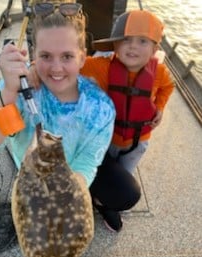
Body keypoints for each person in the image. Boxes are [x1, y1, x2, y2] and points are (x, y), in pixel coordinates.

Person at [0, 3, 141, 234]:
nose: (56, 68)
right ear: (33, 56)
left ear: (82, 57)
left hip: (73, 165)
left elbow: (88, 159)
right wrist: (9, 90)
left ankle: (96, 201)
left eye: (67, 56)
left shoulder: (99, 106)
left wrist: (70, 195)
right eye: (46, 56)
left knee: (126, 193)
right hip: (32, 170)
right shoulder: (19, 89)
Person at [29, 9, 174, 232]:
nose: (133, 47)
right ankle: (87, 190)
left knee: (125, 178)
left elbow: (167, 87)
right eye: (125, 40)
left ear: (155, 49)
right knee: (92, 168)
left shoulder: (161, 73)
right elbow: (69, 61)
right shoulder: (101, 66)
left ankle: (104, 203)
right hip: (103, 140)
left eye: (142, 41)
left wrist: (161, 107)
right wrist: (34, 67)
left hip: (137, 142)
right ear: (114, 45)